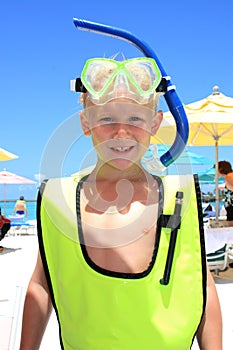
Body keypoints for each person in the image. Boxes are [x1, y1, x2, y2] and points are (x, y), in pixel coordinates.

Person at [20, 57, 222, 349]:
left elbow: (201, 284)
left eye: (135, 119)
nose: (121, 132)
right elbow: (41, 285)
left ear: (155, 123)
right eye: (106, 119)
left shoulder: (180, 197)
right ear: (85, 122)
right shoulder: (59, 200)